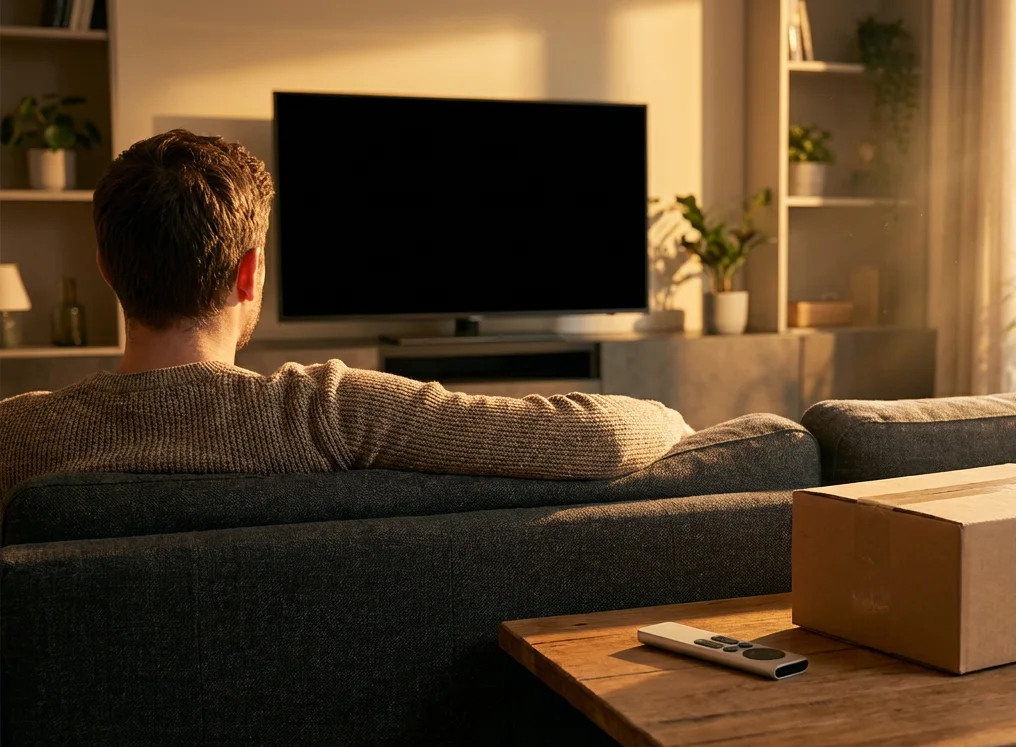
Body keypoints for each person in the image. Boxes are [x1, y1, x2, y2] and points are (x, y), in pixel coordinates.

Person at [0, 129, 690, 499]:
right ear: (249, 272)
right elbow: (598, 440)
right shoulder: (327, 411)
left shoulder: (19, 434)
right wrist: (673, 419)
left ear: (106, 268)